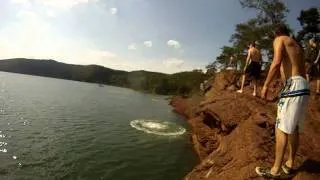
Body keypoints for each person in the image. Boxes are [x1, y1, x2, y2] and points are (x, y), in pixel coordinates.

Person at [256, 24, 310, 178]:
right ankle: (290, 164)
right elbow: (300, 69)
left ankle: (274, 171)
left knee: (281, 128)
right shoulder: (298, 46)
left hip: (293, 86)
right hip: (303, 85)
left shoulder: (280, 39)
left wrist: (265, 85)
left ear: (276, 33)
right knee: (293, 128)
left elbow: (276, 62)